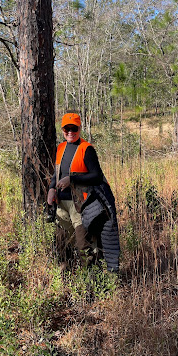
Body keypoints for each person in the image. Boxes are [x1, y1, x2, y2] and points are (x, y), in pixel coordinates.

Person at [47, 112, 120, 272]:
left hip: (80, 206)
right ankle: (66, 276)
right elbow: (56, 172)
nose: (70, 132)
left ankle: (93, 281)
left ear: (79, 128)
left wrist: (72, 179)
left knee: (84, 246)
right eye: (67, 129)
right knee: (61, 243)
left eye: (74, 128)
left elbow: (96, 176)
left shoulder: (86, 149)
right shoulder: (60, 147)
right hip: (61, 204)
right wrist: (51, 188)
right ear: (63, 129)